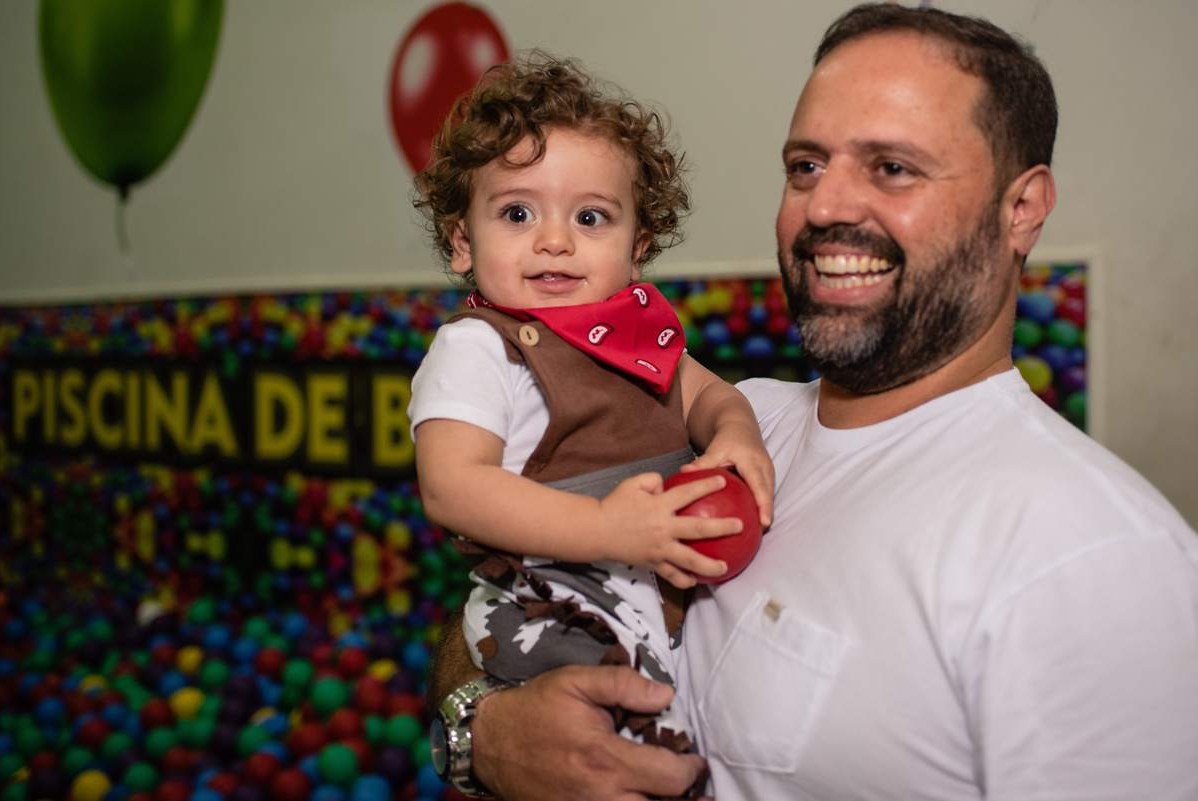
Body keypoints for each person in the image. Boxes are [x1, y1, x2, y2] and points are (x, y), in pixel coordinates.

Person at [427, 5, 1198, 801]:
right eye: (805, 166)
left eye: (891, 167)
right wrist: (481, 727)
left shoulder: (1096, 559)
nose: (825, 207)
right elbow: (507, 600)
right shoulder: (731, 426)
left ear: (1022, 209)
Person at [407, 52, 775, 789]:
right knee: (624, 744)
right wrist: (607, 531)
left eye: (590, 216)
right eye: (517, 212)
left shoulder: (642, 341)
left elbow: (712, 397)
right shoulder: (479, 347)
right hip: (546, 605)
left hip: (643, 603)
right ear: (460, 242)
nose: (554, 239)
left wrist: (736, 435)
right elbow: (452, 486)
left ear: (637, 246)